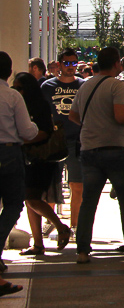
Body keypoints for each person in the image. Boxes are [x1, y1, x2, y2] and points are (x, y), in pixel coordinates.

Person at [68, 46, 124, 262]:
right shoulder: (116, 85)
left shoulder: (85, 85)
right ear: (116, 64)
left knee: (89, 201)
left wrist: (91, 123)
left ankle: (82, 250)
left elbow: (73, 115)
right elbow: (121, 117)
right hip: (114, 148)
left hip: (88, 149)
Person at [13, 72, 72, 256]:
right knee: (30, 199)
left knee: (32, 198)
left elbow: (44, 133)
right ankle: (38, 243)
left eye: (19, 88)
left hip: (41, 158)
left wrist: (21, 140)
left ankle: (60, 227)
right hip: (28, 157)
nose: (17, 91)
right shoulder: (19, 105)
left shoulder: (39, 105)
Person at [0, 52, 39, 296]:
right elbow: (27, 131)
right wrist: (35, 127)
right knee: (13, 205)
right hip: (8, 153)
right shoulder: (12, 96)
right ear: (9, 72)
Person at [41, 47, 83, 229]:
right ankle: (51, 222)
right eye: (67, 63)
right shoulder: (47, 87)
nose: (71, 66)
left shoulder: (83, 85)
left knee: (77, 184)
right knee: (51, 185)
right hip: (54, 141)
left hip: (76, 140)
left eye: (74, 63)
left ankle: (74, 226)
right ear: (59, 64)